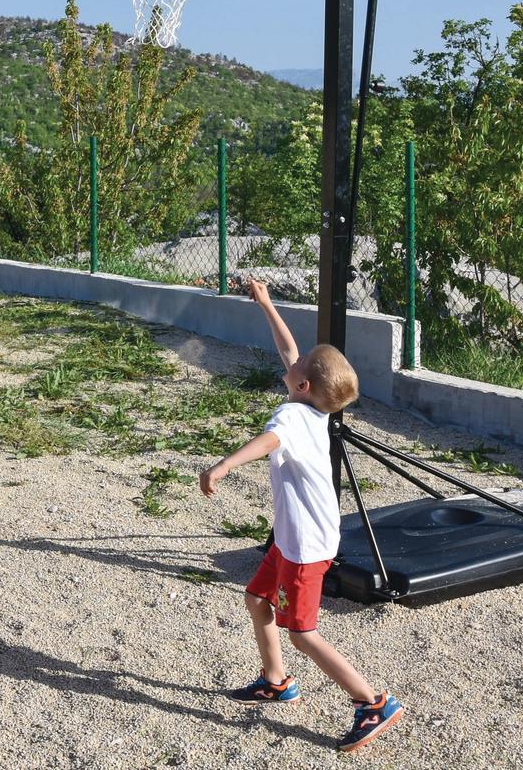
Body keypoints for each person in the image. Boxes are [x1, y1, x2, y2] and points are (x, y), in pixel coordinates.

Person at [198, 277, 404, 754]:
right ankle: (275, 681)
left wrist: (224, 465)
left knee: (303, 632)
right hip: (297, 539)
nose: (290, 362)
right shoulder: (314, 408)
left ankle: (372, 702)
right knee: (257, 598)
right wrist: (266, 303)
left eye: (299, 366)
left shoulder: (291, 417)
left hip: (305, 548)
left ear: (303, 384)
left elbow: (270, 440)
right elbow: (290, 349)